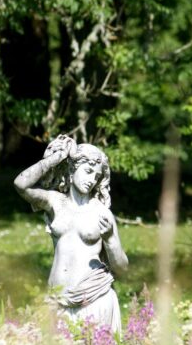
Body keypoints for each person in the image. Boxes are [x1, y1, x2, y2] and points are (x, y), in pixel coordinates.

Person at [14, 135, 128, 333]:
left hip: (93, 298)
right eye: (88, 171)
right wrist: (58, 157)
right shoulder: (55, 202)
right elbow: (21, 184)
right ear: (73, 168)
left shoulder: (101, 212)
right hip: (58, 300)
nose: (92, 179)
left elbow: (122, 267)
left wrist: (109, 239)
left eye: (96, 175)